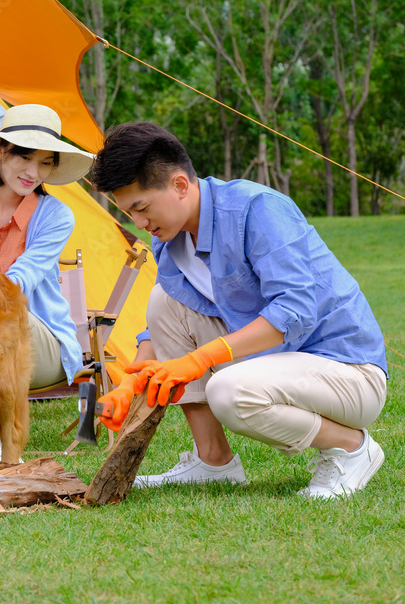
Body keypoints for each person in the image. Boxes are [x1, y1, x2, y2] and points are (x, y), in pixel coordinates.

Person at [90, 122, 388, 499]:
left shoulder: (256, 209)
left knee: (227, 391)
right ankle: (213, 462)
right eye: (130, 212)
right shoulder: (170, 242)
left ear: (180, 185)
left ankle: (351, 447)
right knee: (163, 301)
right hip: (279, 364)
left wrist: (201, 359)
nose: (141, 223)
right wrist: (129, 383)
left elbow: (294, 311)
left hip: (347, 374)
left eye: (142, 208)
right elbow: (161, 326)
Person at [0, 103, 95, 397]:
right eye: (24, 156)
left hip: (40, 342)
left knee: (5, 316)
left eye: (46, 163)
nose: (33, 172)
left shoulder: (57, 216)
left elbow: (20, 282)